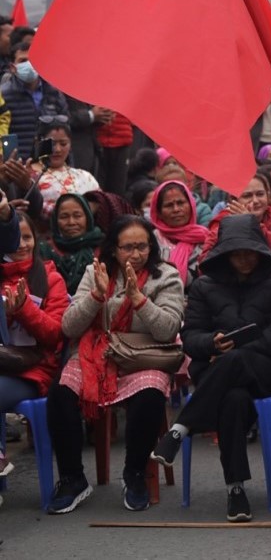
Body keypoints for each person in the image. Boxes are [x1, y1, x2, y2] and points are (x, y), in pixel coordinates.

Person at [149, 214, 271, 522]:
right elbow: (190, 336)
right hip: (218, 371)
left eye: (249, 251)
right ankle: (236, 489)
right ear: (225, 254)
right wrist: (212, 344)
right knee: (233, 401)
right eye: (236, 252)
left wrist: (236, 350)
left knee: (236, 360)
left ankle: (180, 429)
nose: (244, 258)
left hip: (266, 369)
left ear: (259, 249)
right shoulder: (205, 285)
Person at [46, 217, 185, 514]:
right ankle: (73, 479)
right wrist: (97, 296)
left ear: (152, 247)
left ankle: (135, 474)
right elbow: (69, 327)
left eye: (142, 246)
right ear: (113, 248)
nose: (135, 254)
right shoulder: (95, 272)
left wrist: (138, 299)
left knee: (149, 395)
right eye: (127, 247)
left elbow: (168, 329)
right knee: (60, 393)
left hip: (144, 353)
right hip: (98, 352)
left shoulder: (167, 276)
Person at [0, 209, 69, 482]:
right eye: (15, 238)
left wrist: (23, 309)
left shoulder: (51, 279)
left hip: (33, 369)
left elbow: (55, 335)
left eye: (27, 237)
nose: (21, 244)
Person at [203, 174, 271, 269]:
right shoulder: (221, 224)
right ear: (234, 200)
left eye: (260, 194)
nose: (256, 200)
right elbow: (205, 262)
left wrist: (255, 226)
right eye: (247, 196)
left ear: (268, 196)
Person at [1, 42, 70, 159]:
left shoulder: (54, 92)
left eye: (33, 59)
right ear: (12, 67)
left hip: (49, 163)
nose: (29, 65)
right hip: (17, 165)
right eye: (23, 61)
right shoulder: (4, 95)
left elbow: (66, 130)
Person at [148, 180, 210, 286]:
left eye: (181, 203)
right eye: (169, 205)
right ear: (159, 213)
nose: (176, 209)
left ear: (191, 205)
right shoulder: (151, 241)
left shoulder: (206, 238)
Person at [39, 193, 104, 293]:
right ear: (56, 220)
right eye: (64, 217)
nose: (71, 222)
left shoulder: (102, 246)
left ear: (88, 217)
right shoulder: (44, 250)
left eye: (77, 216)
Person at [35, 121, 101, 218]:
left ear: (70, 145)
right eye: (52, 144)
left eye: (63, 143)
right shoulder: (30, 177)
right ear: (40, 143)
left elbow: (101, 202)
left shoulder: (85, 176)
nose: (57, 149)